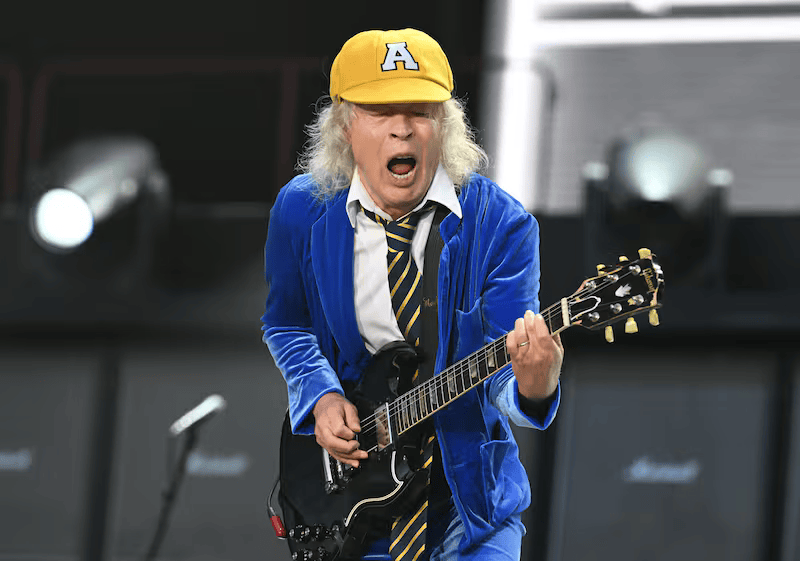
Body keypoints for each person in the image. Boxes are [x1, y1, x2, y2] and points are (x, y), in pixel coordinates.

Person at [262, 28, 563, 561]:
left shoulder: (503, 225)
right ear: (344, 125)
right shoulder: (300, 210)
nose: (402, 128)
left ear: (445, 124)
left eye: (421, 111)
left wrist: (533, 387)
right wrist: (321, 396)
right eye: (380, 111)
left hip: (469, 511)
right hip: (353, 507)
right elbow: (288, 323)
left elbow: (504, 371)